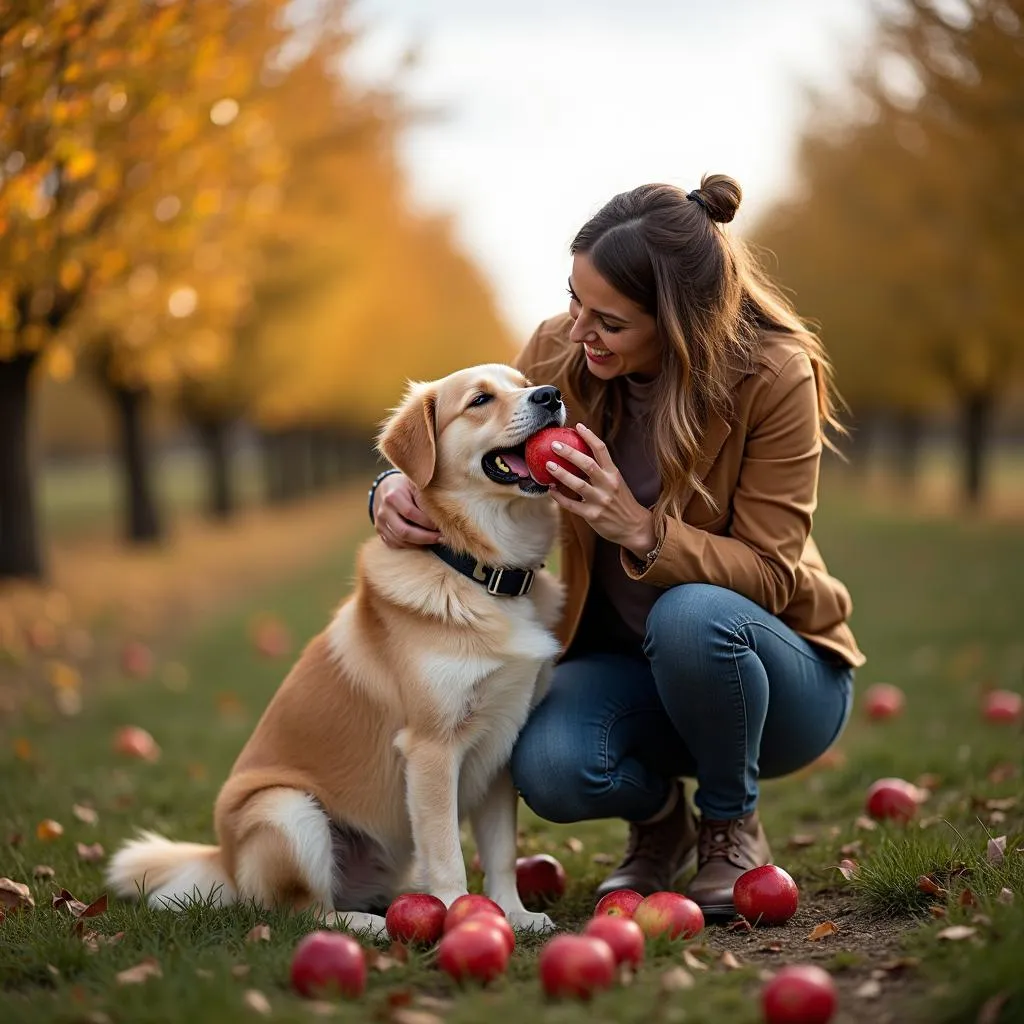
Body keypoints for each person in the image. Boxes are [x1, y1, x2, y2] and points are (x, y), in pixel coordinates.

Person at [368, 174, 864, 918]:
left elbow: (769, 573)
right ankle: (660, 819)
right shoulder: (558, 354)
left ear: (678, 321)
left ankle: (730, 822)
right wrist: (389, 488)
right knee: (552, 767)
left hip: (772, 679)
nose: (576, 332)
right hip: (622, 672)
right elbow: (469, 437)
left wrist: (638, 528)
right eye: (574, 299)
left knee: (693, 617)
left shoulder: (773, 376)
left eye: (608, 320)